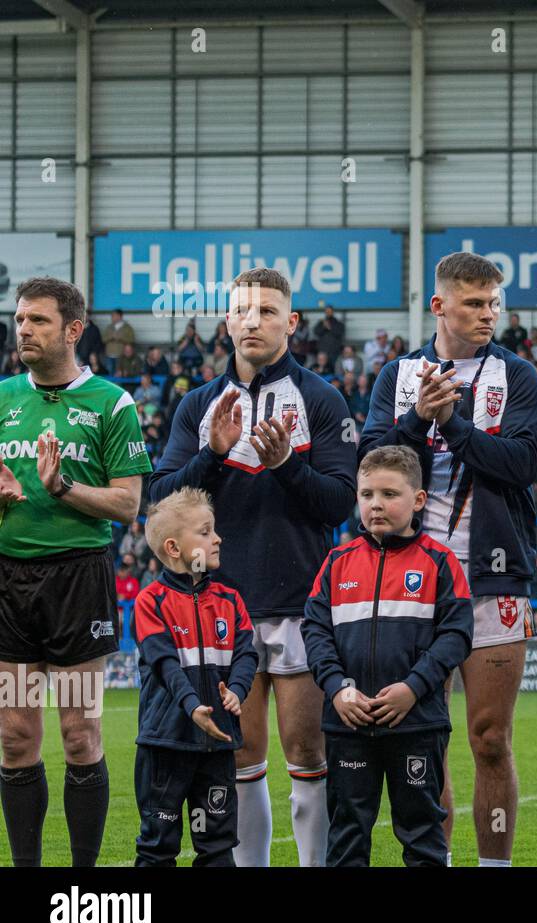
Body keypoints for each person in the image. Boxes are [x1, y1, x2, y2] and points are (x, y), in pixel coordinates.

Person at [149, 267, 359, 868]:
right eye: (242, 310)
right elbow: (162, 501)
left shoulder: (321, 399)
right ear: (226, 323)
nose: (252, 320)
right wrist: (213, 456)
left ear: (291, 322)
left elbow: (341, 502)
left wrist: (288, 464)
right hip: (221, 607)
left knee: (307, 753)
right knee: (241, 758)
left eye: (267, 310)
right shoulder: (196, 405)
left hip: (300, 601)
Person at [361, 251, 537, 868]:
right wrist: (417, 418)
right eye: (474, 303)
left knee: (490, 739)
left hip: (494, 576)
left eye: (494, 302)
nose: (488, 313)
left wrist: (455, 423)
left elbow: (524, 466)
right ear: (439, 306)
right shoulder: (397, 375)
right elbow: (373, 467)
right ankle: (431, 861)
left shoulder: (517, 375)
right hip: (415, 581)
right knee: (423, 739)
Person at [0, 277, 151, 867]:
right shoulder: (4, 398)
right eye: (19, 320)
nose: (24, 331)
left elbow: (127, 505)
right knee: (14, 738)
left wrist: (62, 487)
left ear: (72, 330)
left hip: (77, 583)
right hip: (11, 584)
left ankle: (83, 886)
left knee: (81, 736)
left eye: (37, 320)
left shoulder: (111, 403)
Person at [303, 445, 473, 866]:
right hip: (348, 723)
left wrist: (412, 689)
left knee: (421, 836)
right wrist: (339, 689)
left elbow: (456, 634)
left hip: (416, 723)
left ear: (418, 500)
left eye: (389, 494)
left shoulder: (440, 561)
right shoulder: (337, 562)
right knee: (347, 835)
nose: (376, 504)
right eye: (366, 495)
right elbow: (315, 631)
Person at [132, 487, 257, 866]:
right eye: (205, 532)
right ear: (174, 548)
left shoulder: (231, 601)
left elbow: (247, 655)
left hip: (217, 746)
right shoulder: (150, 602)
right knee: (158, 848)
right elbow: (165, 664)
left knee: (218, 847)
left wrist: (237, 690)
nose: (216, 538)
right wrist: (192, 707)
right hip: (165, 746)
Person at [102, 309, 134, 374]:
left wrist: (121, 338)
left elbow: (132, 339)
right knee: (109, 373)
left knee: (119, 373)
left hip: (121, 355)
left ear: (119, 316)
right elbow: (103, 339)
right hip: (109, 355)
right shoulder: (109, 327)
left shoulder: (127, 327)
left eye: (114, 316)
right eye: (112, 316)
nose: (112, 317)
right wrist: (110, 337)